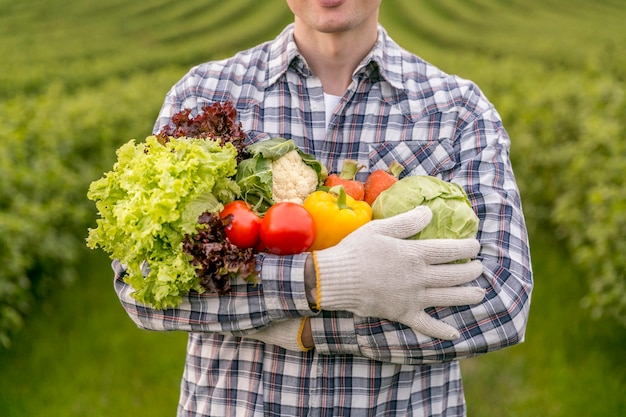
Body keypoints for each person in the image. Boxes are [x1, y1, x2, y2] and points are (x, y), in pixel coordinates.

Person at [113, 1, 533, 415]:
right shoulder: (205, 92)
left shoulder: (458, 111)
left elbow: (502, 302)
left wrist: (306, 330)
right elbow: (143, 281)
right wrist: (318, 280)